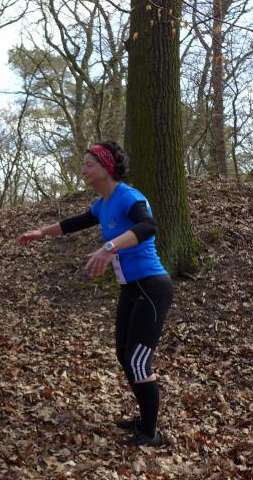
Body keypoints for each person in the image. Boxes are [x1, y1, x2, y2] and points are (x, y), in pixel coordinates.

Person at [18, 141, 173, 447]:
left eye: (89, 165)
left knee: (138, 362)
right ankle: (145, 420)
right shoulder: (103, 204)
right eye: (83, 164)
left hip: (152, 287)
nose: (83, 170)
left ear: (107, 168)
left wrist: (109, 247)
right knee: (124, 355)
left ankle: (150, 433)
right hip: (131, 289)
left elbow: (149, 226)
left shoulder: (129, 197)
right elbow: (76, 222)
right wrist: (41, 232)